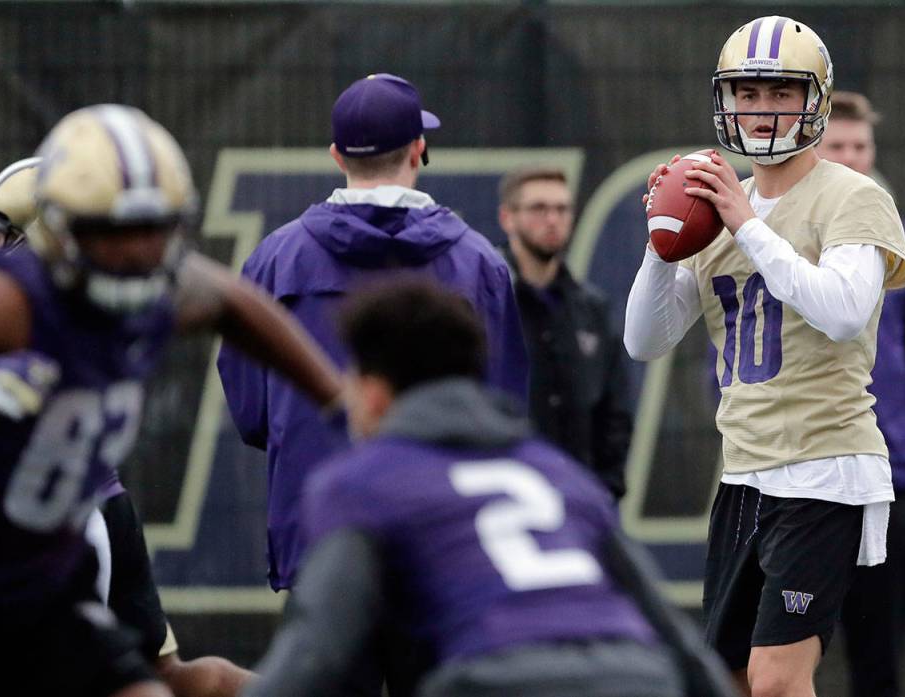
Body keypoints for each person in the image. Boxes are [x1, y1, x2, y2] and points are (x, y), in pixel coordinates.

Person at [0, 104, 341, 697]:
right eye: (110, 232)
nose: (135, 253)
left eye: (151, 230)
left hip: (48, 576)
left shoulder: (159, 292)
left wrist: (339, 398)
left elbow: (231, 303)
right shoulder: (2, 304)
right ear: (60, 230)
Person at [242, 277, 738, 697]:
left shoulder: (360, 482)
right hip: (641, 680)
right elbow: (678, 639)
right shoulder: (558, 473)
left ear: (372, 391)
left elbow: (314, 656)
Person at [624, 16, 905, 697]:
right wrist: (661, 243)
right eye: (747, 93)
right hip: (744, 470)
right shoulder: (722, 209)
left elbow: (843, 312)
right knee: (727, 678)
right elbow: (645, 340)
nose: (761, 110)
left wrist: (747, 225)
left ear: (815, 99)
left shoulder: (852, 195)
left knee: (777, 681)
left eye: (781, 92)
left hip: (825, 468)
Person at [217, 72, 528, 592]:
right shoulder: (477, 263)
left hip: (319, 533)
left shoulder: (275, 258)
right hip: (444, 537)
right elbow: (503, 410)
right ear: (418, 149)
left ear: (337, 156)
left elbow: (252, 413)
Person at [816, 91, 905, 697]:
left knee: (878, 661)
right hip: (803, 479)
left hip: (891, 484)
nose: (850, 157)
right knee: (780, 655)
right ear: (814, 149)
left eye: (860, 146)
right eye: (837, 146)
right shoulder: (778, 248)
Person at [497, 166, 631, 500]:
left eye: (562, 209)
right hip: (504, 497)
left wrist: (604, 489)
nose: (552, 219)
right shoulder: (486, 304)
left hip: (579, 498)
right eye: (538, 208)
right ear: (507, 218)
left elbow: (614, 413)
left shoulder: (592, 309)